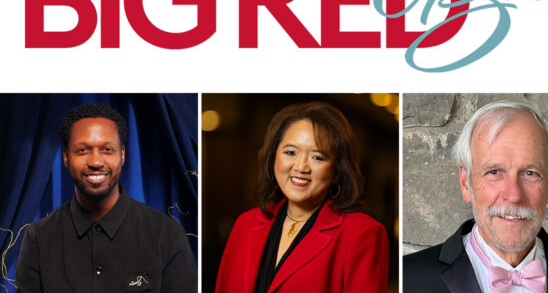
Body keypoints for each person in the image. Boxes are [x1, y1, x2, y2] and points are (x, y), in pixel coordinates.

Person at [403, 100, 548, 293]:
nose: (513, 195)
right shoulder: (409, 278)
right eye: (494, 172)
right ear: (465, 182)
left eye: (530, 173)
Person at [16, 103, 197, 292]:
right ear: (66, 157)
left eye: (107, 149)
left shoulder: (166, 234)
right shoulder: (38, 238)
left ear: (123, 155)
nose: (95, 162)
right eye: (83, 150)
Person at [216, 102, 389, 292]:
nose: (301, 167)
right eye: (291, 152)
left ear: (337, 171)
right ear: (274, 157)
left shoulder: (363, 234)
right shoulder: (245, 224)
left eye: (317, 157)